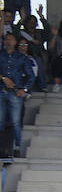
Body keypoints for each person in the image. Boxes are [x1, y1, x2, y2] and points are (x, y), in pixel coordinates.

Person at [0, 29, 33, 157]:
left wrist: (24, 90)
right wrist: (3, 78)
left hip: (15, 92)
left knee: (15, 122)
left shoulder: (22, 57)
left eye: (11, 39)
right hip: (1, 90)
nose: (8, 41)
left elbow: (31, 76)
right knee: (0, 121)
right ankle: (2, 148)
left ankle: (17, 148)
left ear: (15, 42)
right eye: (6, 39)